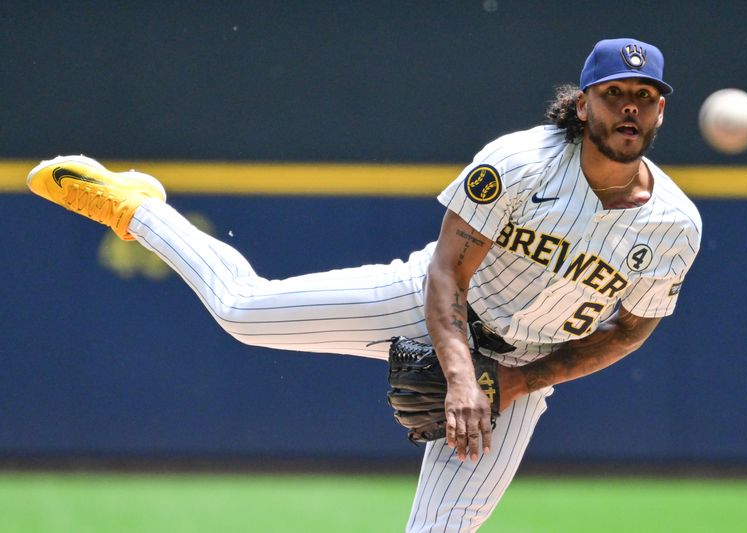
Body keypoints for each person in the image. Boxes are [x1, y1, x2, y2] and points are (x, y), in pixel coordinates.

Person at [27, 37, 701, 532]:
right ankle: (134, 206)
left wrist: (515, 383)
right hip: (427, 304)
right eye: (616, 93)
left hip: (521, 367)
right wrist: (462, 377)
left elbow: (631, 328)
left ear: (661, 112)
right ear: (584, 105)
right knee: (241, 309)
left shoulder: (674, 224)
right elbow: (447, 272)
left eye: (646, 97)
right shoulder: (519, 163)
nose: (631, 108)